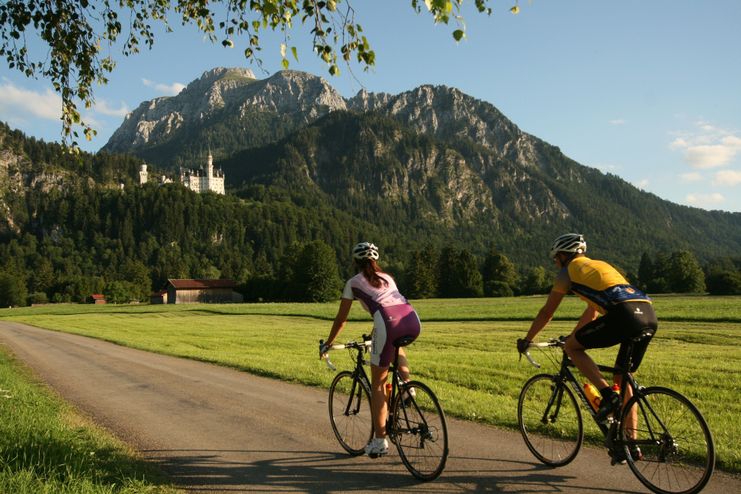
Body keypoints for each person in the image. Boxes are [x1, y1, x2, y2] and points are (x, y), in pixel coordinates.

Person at [517, 233, 657, 443]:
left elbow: (547, 312)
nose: (555, 262)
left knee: (572, 349)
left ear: (565, 255)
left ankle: (607, 396)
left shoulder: (567, 272)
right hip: (648, 314)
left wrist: (527, 339)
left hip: (624, 314)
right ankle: (630, 442)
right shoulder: (598, 266)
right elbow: (592, 312)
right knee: (624, 377)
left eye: (556, 257)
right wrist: (574, 335)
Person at [320, 242, 421, 458]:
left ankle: (379, 441)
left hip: (387, 322)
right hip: (412, 320)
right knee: (397, 349)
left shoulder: (352, 282)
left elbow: (341, 319)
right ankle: (407, 388)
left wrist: (328, 342)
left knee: (378, 384)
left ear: (355, 262)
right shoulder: (388, 277)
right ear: (375, 261)